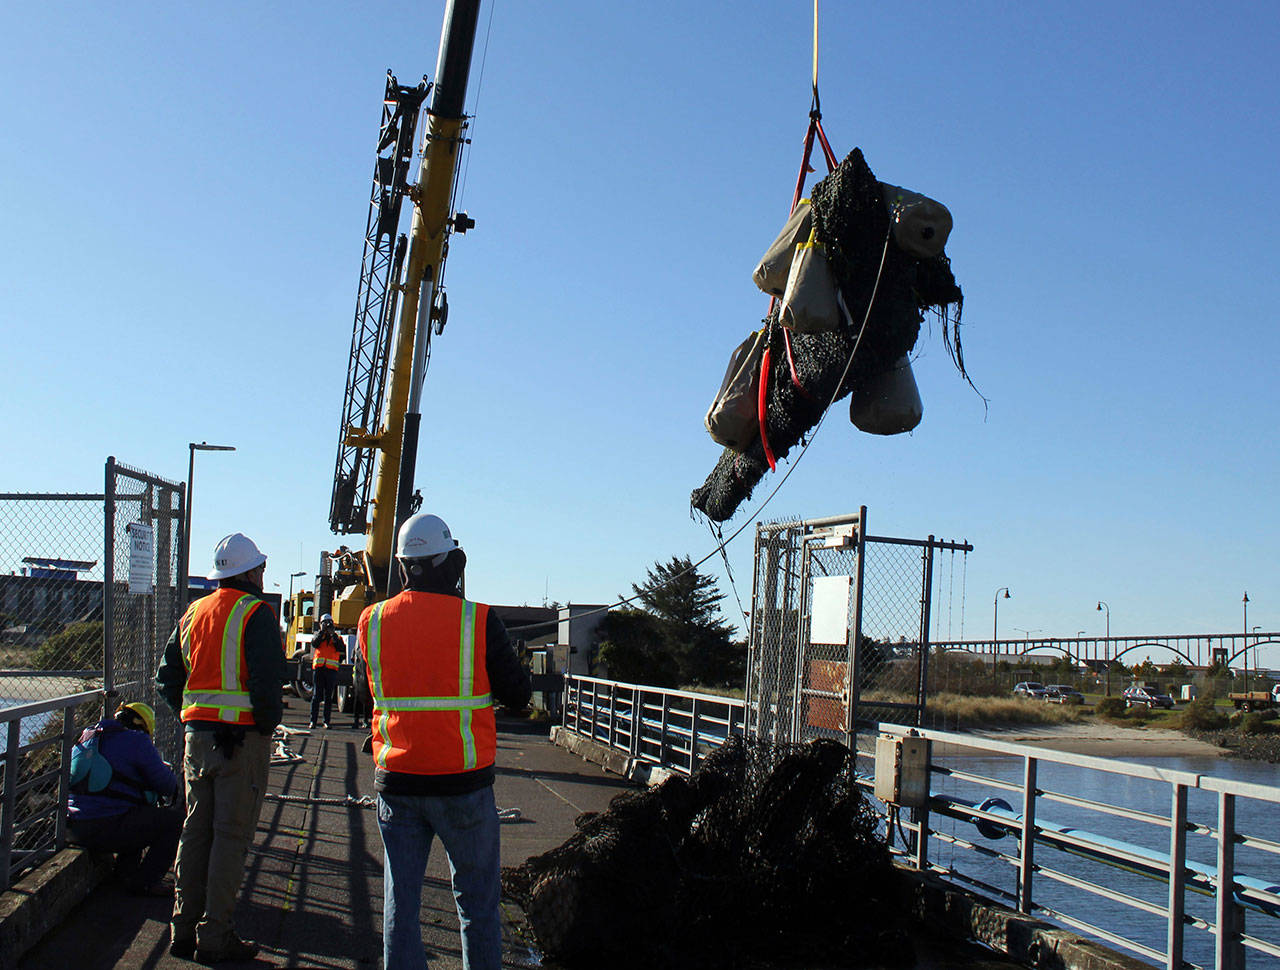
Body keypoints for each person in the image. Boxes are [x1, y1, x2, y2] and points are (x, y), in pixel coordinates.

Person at [359, 513, 531, 970]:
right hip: (464, 788)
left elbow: (367, 690)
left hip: (397, 783)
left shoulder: (371, 621)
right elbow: (518, 695)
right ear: (449, 563)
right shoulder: (478, 620)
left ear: (402, 567)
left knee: (402, 906)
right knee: (477, 906)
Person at [156, 532, 287, 964]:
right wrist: (265, 725)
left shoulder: (193, 613)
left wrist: (191, 716)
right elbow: (269, 685)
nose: (264, 573)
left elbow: (167, 680)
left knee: (195, 832)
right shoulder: (257, 614)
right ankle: (214, 935)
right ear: (249, 572)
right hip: (242, 742)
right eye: (261, 567)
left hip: (198, 740)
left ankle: (181, 926)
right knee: (231, 838)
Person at [67, 701, 182, 896]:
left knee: (130, 807)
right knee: (173, 822)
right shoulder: (136, 741)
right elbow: (167, 786)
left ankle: (125, 873)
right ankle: (146, 882)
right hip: (105, 826)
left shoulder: (88, 737)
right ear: (142, 727)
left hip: (72, 826)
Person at [310, 613, 342, 729]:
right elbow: (314, 644)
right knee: (316, 696)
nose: (327, 625)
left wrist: (332, 634)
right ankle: (313, 721)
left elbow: (340, 647)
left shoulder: (336, 637)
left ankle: (326, 721)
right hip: (319, 669)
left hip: (331, 670)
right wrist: (322, 632)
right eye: (325, 623)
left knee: (328, 697)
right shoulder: (319, 635)